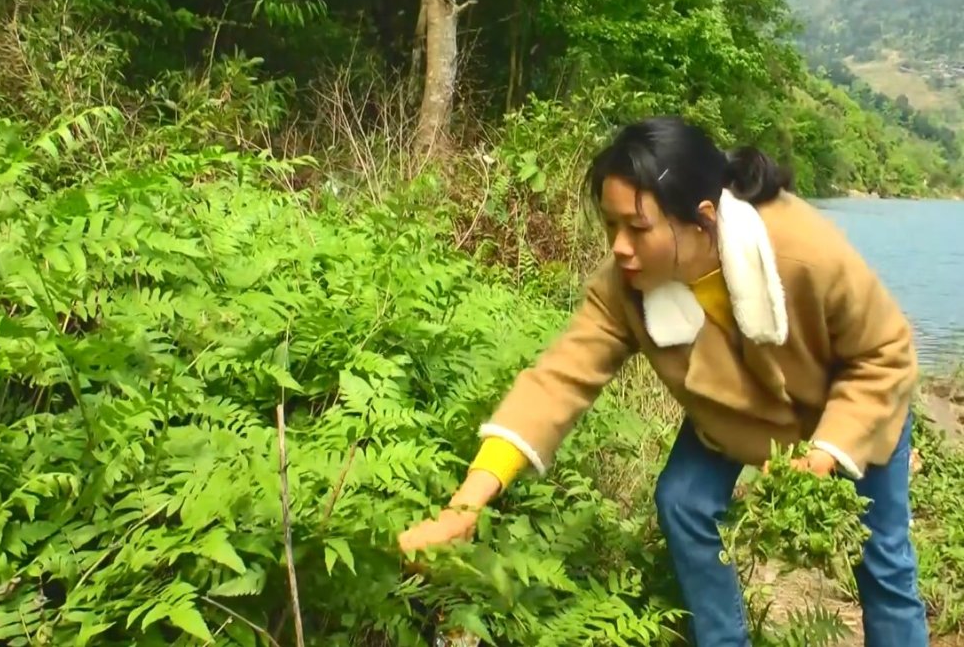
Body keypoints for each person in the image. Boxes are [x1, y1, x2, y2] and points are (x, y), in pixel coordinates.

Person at [397, 116, 929, 646]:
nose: (620, 248)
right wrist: (462, 508)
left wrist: (826, 453)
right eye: (610, 226)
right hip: (744, 415)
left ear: (701, 219)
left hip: (856, 404)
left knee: (882, 559)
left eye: (638, 228)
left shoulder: (800, 248)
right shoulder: (623, 288)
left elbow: (885, 352)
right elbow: (555, 383)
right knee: (684, 500)